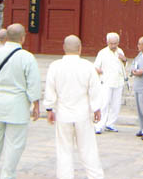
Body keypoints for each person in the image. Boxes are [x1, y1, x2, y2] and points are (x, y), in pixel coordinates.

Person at [0, 23, 41, 179]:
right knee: (15, 144)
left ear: (6, 37)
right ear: (23, 38)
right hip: (18, 105)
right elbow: (33, 84)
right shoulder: (27, 57)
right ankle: (7, 175)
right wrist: (36, 105)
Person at [44, 35, 104, 179]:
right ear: (80, 48)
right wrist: (96, 108)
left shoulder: (55, 66)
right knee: (88, 149)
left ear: (64, 48)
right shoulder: (88, 66)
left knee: (64, 150)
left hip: (63, 113)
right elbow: (95, 90)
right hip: (82, 114)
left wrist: (49, 109)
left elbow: (50, 89)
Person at [93, 32, 127, 134]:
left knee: (116, 104)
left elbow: (124, 65)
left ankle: (110, 124)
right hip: (106, 81)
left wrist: (124, 60)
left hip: (118, 81)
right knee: (104, 104)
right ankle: (99, 125)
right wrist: (99, 71)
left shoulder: (120, 51)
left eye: (115, 43)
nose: (113, 46)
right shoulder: (102, 53)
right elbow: (95, 66)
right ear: (107, 42)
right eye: (111, 43)